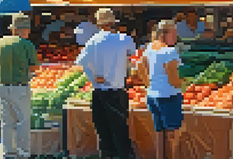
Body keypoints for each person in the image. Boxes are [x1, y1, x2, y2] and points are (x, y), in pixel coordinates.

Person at [75, 8, 136, 159]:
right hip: (116, 90)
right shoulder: (124, 39)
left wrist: (94, 76)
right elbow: (133, 55)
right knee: (121, 131)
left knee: (103, 133)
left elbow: (81, 62)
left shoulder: (92, 41)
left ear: (98, 23)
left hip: (99, 91)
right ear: (113, 23)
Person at [0, 13, 39, 159]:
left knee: (6, 122)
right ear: (26, 30)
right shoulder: (27, 44)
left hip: (2, 86)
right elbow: (34, 67)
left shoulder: (1, 42)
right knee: (23, 121)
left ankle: (9, 152)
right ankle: (23, 153)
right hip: (20, 87)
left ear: (13, 29)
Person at [138, 20, 183, 159]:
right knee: (173, 135)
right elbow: (172, 77)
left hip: (153, 96)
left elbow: (140, 65)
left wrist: (148, 84)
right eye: (173, 34)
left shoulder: (150, 47)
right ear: (164, 34)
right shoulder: (170, 51)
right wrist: (182, 85)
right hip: (169, 96)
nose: (175, 37)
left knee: (159, 132)